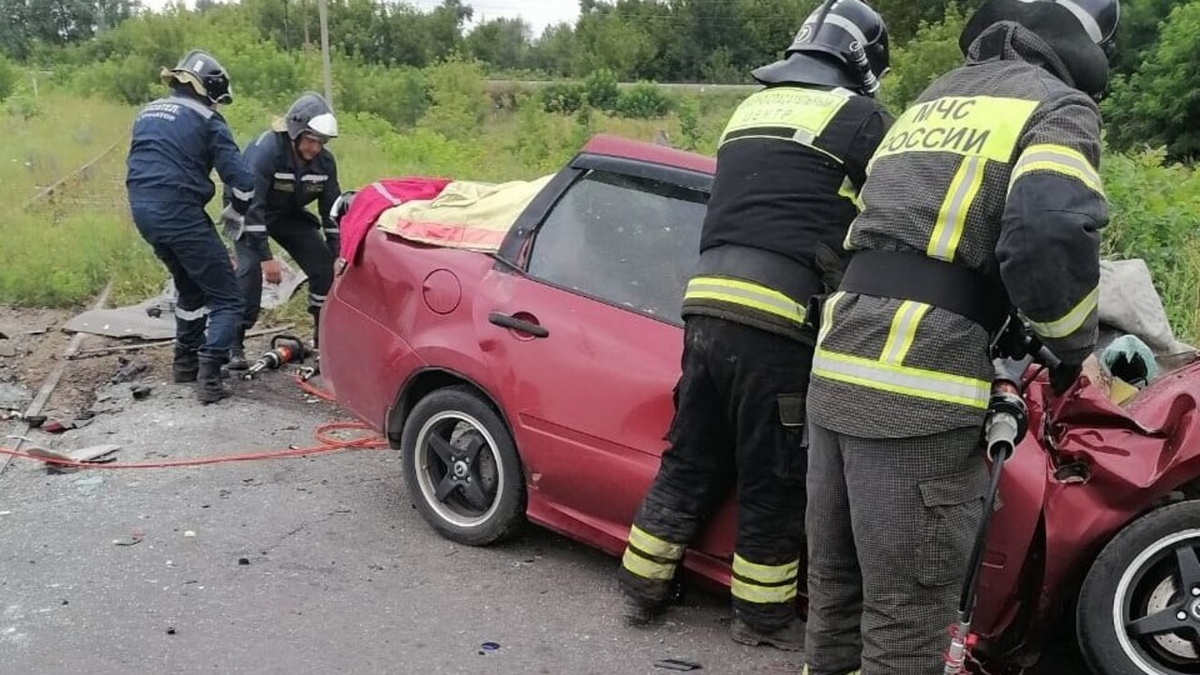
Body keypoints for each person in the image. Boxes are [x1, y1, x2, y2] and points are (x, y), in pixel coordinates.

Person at [800, 0, 1118, 672]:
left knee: (835, 606)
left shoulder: (933, 100)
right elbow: (1048, 233)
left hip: (837, 371)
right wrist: (1068, 348)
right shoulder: (1057, 106)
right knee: (906, 627)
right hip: (916, 386)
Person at [616, 0, 893, 651]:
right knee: (772, 474)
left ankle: (643, 583)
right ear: (859, 63)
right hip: (777, 320)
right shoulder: (859, 118)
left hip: (704, 305)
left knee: (691, 453)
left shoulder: (747, 111)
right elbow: (894, 210)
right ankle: (762, 617)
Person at [126, 49, 256, 404]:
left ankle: (184, 363)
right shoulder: (208, 120)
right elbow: (243, 180)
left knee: (190, 290)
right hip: (180, 211)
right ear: (211, 91)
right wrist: (236, 210)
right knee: (229, 298)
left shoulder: (148, 112)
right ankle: (210, 377)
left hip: (142, 210)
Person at [223, 91, 341, 369]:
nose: (315, 148)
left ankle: (321, 337)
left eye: (321, 142)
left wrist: (339, 254)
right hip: (246, 212)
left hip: (287, 214)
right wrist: (266, 257)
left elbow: (331, 213)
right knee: (248, 271)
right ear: (295, 133)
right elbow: (253, 206)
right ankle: (233, 343)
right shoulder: (267, 151)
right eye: (310, 140)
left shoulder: (325, 163)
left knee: (325, 267)